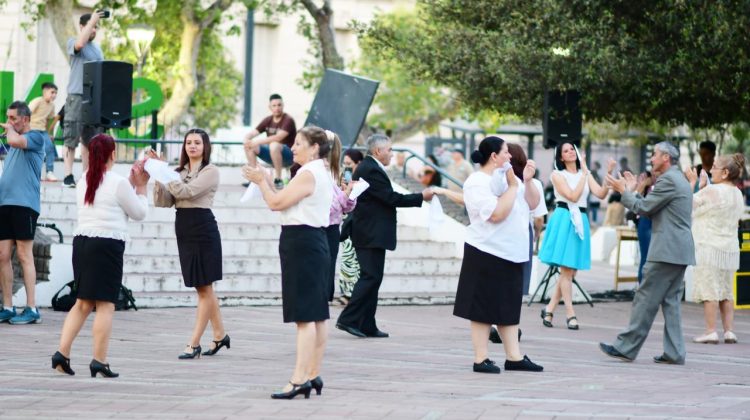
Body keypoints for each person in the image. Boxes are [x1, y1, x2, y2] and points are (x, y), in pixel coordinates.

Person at [242, 125, 337, 400]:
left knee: (305, 317)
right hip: (314, 240)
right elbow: (282, 200)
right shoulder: (322, 170)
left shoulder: (309, 173)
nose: (292, 148)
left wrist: (261, 180)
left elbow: (274, 203)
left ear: (314, 148)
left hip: (302, 242)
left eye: (298, 143)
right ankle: (311, 373)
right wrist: (266, 181)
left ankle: (299, 379)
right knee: (318, 314)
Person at [52, 134, 149, 377]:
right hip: (106, 246)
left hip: (82, 242)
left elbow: (112, 193)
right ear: (112, 154)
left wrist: (131, 183)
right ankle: (99, 360)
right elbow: (138, 212)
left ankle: (61, 354)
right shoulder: (117, 183)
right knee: (106, 305)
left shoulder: (85, 178)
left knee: (82, 303)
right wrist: (142, 187)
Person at [453, 136, 543, 374]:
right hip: (486, 250)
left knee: (508, 307)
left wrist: (525, 182)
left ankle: (514, 356)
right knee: (482, 307)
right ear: (494, 156)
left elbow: (533, 204)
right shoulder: (477, 182)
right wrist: (513, 187)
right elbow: (496, 214)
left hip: (511, 252)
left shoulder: (509, 177)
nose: (510, 156)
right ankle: (480, 358)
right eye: (505, 152)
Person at [599, 141, 695, 365]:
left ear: (666, 158)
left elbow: (644, 209)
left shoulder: (669, 180)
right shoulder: (677, 179)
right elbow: (650, 208)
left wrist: (624, 191)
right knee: (670, 301)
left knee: (645, 298)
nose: (651, 158)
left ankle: (625, 347)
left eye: (654, 155)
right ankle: (674, 352)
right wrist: (631, 190)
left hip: (666, 250)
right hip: (678, 250)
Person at [336, 134, 433, 338]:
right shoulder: (370, 169)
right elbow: (389, 198)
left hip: (372, 231)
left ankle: (367, 323)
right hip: (368, 231)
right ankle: (348, 319)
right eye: (389, 149)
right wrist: (420, 197)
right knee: (370, 277)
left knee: (374, 278)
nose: (391, 153)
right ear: (377, 151)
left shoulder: (371, 167)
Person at [151, 129, 229, 359]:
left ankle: (193, 343)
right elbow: (164, 201)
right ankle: (220, 335)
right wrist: (159, 176)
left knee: (204, 287)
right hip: (184, 227)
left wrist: (164, 172)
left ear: (205, 146)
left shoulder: (211, 171)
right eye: (188, 142)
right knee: (202, 286)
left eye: (197, 142)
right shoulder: (179, 171)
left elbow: (187, 192)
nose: (192, 146)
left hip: (202, 227)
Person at [538, 143, 613, 330]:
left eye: (572, 149)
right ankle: (570, 313)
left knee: (569, 271)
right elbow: (572, 196)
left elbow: (601, 194)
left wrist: (608, 174)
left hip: (580, 219)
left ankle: (549, 309)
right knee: (566, 270)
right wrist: (585, 174)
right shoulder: (557, 175)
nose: (571, 152)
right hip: (565, 219)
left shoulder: (584, 174)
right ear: (561, 157)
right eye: (566, 151)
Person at [685, 154, 745, 344]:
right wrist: (704, 186)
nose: (711, 170)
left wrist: (693, 182)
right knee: (726, 291)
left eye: (715, 167)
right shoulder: (738, 193)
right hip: (729, 250)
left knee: (709, 289)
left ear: (725, 172)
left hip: (709, 247)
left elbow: (687, 204)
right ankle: (729, 331)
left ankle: (710, 331)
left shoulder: (713, 190)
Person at [0, 101, 46, 325]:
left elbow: (14, 140)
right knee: (3, 256)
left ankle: (32, 308)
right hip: (5, 204)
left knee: (25, 256)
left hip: (25, 205)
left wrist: (8, 130)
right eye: (8, 118)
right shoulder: (11, 143)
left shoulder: (36, 137)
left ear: (25, 119)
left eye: (13, 118)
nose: (9, 122)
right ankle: (8, 306)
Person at [62, 11, 106, 188]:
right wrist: (93, 19)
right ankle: (68, 176)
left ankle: (87, 176)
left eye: (96, 27)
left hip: (94, 99)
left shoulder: (98, 49)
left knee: (91, 140)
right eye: (91, 26)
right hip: (76, 96)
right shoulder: (73, 42)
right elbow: (80, 43)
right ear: (82, 26)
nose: (94, 29)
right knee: (71, 136)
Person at [323, 134, 355, 303]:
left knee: (330, 263)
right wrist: (345, 195)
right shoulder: (317, 172)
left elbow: (346, 206)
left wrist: (348, 193)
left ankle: (326, 296)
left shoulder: (336, 172)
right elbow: (330, 206)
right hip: (320, 224)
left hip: (333, 225)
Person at [243, 94, 297, 189]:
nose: (277, 108)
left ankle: (278, 179)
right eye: (274, 105)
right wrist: (246, 139)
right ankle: (255, 178)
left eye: (279, 105)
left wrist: (258, 142)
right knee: (249, 146)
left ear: (283, 105)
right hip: (273, 155)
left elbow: (278, 138)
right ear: (270, 107)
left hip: (290, 156)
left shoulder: (288, 120)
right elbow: (253, 133)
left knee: (274, 145)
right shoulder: (268, 120)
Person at [338, 149, 364, 304]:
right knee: (347, 258)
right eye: (344, 164)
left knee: (358, 261)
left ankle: (355, 293)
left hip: (360, 223)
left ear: (358, 164)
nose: (346, 167)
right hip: (347, 222)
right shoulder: (344, 178)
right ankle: (345, 293)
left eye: (349, 164)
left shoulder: (364, 180)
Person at [28, 82, 59, 181]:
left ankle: (49, 172)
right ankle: (35, 172)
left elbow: (48, 120)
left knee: (50, 148)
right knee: (35, 151)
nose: (54, 95)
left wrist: (50, 133)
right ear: (45, 91)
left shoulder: (52, 106)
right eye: (52, 92)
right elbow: (26, 113)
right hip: (32, 129)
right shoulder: (37, 101)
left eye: (55, 93)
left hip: (43, 131)